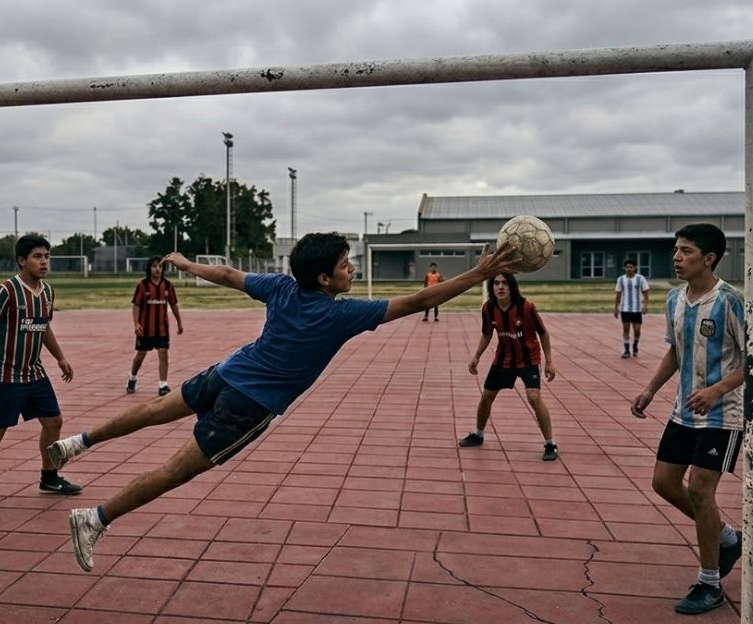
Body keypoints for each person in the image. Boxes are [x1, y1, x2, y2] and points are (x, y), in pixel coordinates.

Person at [47, 233, 519, 571]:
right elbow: (418, 302)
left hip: (225, 372)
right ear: (325, 277)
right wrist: (479, 273)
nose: (351, 269)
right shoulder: (341, 314)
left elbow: (229, 275)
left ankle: (78, 442)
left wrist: (188, 266)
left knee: (153, 412)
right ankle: (95, 519)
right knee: (175, 471)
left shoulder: (280, 287)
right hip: (249, 404)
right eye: (345, 265)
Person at [630, 223, 744, 615]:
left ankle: (709, 583)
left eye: (686, 251)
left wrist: (717, 390)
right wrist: (650, 389)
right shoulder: (675, 300)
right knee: (663, 482)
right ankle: (728, 537)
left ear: (709, 259)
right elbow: (676, 352)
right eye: (676, 250)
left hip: (722, 415)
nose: (677, 258)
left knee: (700, 491)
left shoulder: (730, 301)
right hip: (684, 414)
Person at [0, 234, 79, 518]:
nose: (44, 262)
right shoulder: (7, 290)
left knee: (54, 422)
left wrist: (60, 357)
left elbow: (43, 327)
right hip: (5, 375)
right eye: (38, 256)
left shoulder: (48, 292)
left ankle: (49, 477)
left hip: (34, 373)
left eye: (47, 256)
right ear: (22, 260)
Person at [457, 273, 559, 461]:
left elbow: (543, 334)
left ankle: (550, 443)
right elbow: (487, 333)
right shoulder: (488, 308)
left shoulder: (526, 307)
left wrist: (549, 361)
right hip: (503, 359)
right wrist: (476, 356)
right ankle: (478, 434)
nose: (500, 287)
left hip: (528, 359)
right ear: (492, 287)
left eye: (504, 283)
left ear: (512, 287)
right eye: (496, 283)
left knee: (534, 398)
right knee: (487, 396)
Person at [127, 256, 184, 396]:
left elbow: (174, 305)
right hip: (145, 329)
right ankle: (132, 378)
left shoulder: (168, 286)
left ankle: (163, 385)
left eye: (160, 266)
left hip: (162, 329)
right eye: (154, 266)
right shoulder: (142, 285)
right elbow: (135, 306)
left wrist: (179, 322)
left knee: (163, 353)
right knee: (140, 355)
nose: (157, 269)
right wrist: (136, 323)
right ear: (149, 268)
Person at [615, 259, 650, 358]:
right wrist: (616, 308)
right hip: (625, 309)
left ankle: (635, 346)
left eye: (631, 267)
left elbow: (646, 292)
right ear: (624, 268)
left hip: (637, 309)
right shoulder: (621, 279)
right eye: (627, 267)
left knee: (637, 330)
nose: (629, 269)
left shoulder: (640, 279)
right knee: (626, 329)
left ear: (635, 268)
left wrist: (645, 305)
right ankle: (626, 350)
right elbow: (618, 294)